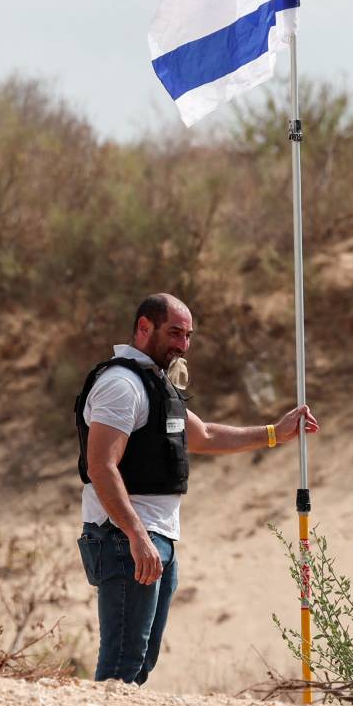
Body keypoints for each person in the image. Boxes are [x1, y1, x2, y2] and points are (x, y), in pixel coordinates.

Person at [74, 292, 320, 684]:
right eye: (174, 333)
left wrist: (276, 433)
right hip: (125, 540)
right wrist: (137, 536)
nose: (182, 345)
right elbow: (101, 467)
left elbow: (203, 436)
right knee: (121, 665)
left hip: (157, 539)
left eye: (188, 336)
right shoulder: (121, 385)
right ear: (143, 328)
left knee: (139, 666)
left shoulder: (154, 383)